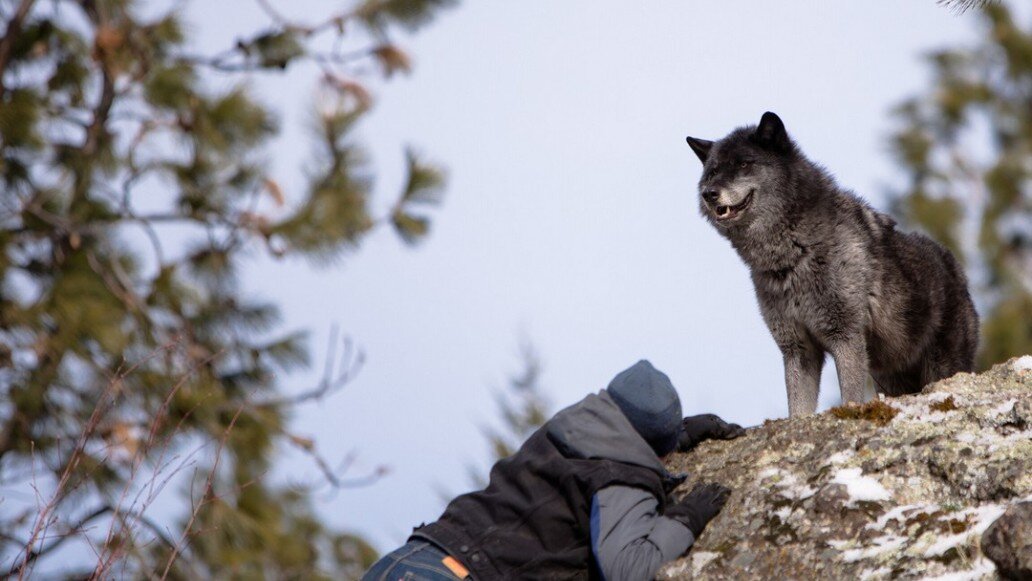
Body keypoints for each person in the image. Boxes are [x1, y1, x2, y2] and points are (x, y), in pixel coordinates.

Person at [362, 360, 745, 581]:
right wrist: (686, 517)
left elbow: (601, 455)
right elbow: (628, 567)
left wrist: (674, 437)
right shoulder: (622, 477)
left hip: (405, 560)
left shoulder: (569, 427)